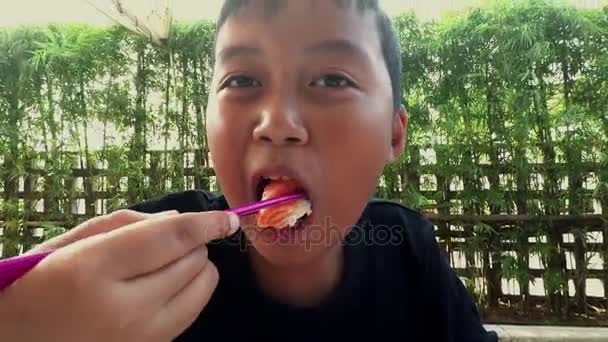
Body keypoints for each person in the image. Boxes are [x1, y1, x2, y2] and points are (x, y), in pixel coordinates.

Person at [0, 0, 498, 341]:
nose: (276, 123)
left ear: (394, 134)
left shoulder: (406, 250)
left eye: (331, 78)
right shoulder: (146, 254)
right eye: (242, 79)